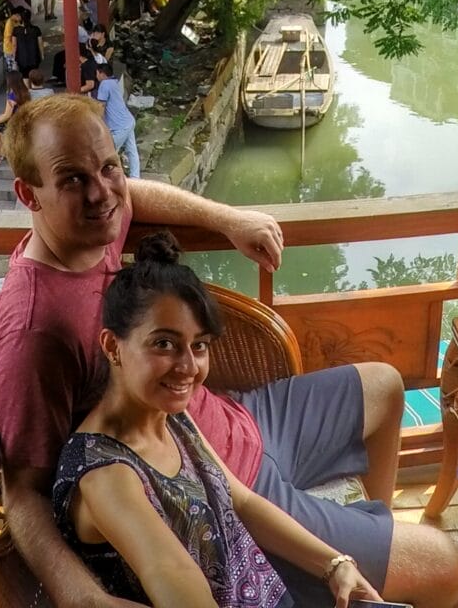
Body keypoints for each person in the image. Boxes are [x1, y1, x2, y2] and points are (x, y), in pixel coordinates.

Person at [0, 95, 458, 608]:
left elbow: (131, 195)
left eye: (108, 167)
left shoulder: (93, 222)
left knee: (385, 386)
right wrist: (82, 598)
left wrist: (227, 219)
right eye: (73, 179)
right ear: (29, 195)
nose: (102, 193)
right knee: (445, 565)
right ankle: (424, 581)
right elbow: (23, 493)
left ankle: (377, 545)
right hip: (203, 498)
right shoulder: (32, 331)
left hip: (227, 424)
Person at [55, 231, 381, 608]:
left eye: (199, 345)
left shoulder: (168, 414)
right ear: (113, 346)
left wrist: (334, 564)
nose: (188, 367)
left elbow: (240, 501)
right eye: (164, 344)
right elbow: (170, 571)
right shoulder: (106, 475)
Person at [92, 57, 140, 178]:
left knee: (109, 152)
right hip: (128, 121)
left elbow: (101, 106)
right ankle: (135, 178)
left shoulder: (104, 84)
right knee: (131, 151)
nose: (96, 76)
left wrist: (98, 125)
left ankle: (114, 179)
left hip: (119, 126)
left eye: (97, 73)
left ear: (101, 73)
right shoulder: (114, 82)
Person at [0, 75, 29, 167]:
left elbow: (7, 115)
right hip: (23, 121)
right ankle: (1, 152)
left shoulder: (12, 96)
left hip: (14, 123)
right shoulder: (25, 93)